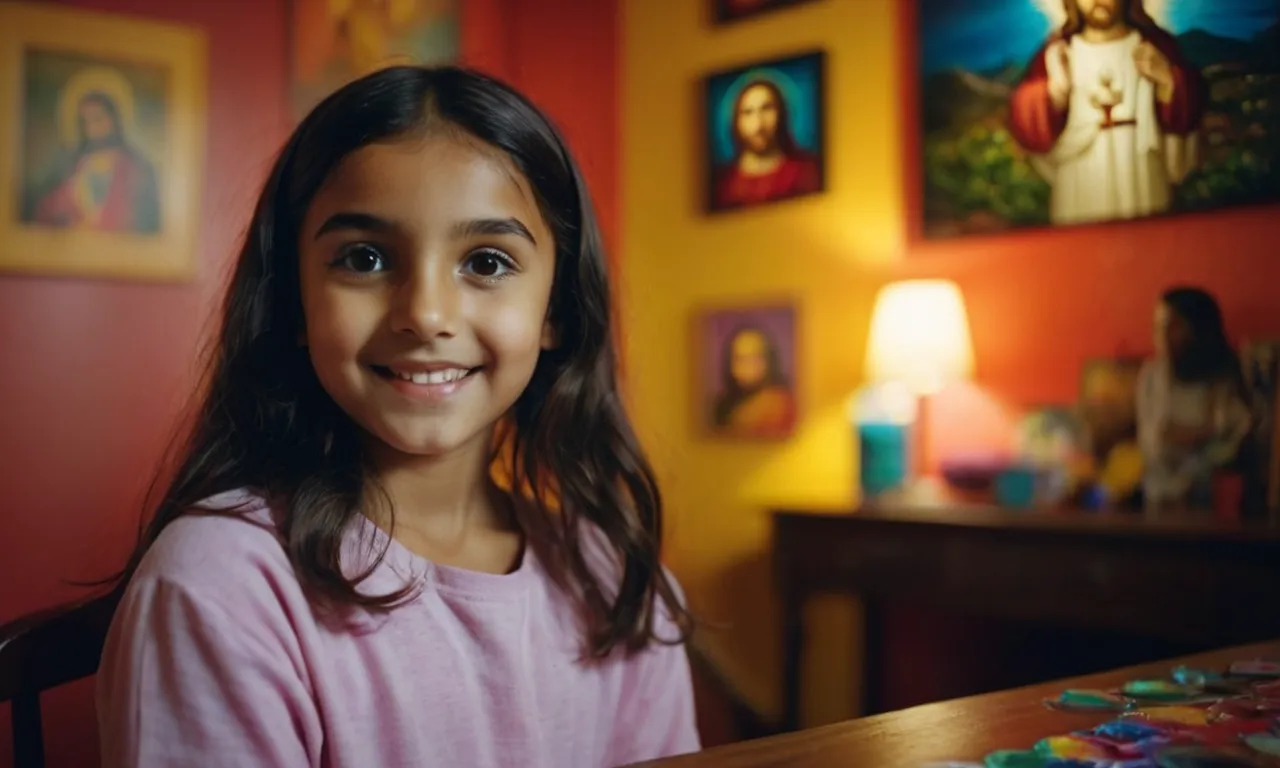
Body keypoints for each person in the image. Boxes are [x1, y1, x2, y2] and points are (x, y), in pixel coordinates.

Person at [96, 66, 699, 767]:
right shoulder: (223, 587)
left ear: (556, 310)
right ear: (294, 301)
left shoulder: (613, 578)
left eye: (488, 262)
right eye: (366, 257)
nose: (425, 314)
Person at [1007, 0, 1206, 226]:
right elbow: (1026, 119)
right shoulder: (1058, 53)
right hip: (1079, 177)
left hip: (1140, 170)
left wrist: (1167, 80)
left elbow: (1190, 108)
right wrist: (1055, 92)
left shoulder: (1155, 46)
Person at [1136, 287, 1252, 513]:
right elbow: (1153, 443)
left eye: (1173, 325)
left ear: (1198, 329)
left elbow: (1236, 435)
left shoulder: (1225, 378)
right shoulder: (1151, 377)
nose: (1161, 334)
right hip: (1157, 499)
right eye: (1158, 326)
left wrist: (1198, 433)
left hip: (1211, 504)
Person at [31, 91, 160, 233]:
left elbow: (144, 219)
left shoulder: (136, 168)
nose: (92, 127)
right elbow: (49, 208)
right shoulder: (73, 165)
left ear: (114, 120)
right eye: (85, 121)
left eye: (97, 118)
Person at [713, 77, 821, 210]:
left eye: (766, 109)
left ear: (781, 114)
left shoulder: (806, 170)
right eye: (747, 112)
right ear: (736, 122)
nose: (758, 124)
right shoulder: (722, 182)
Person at [712, 325, 796, 436]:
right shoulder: (722, 405)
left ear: (769, 361)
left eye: (755, 358)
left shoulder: (779, 403)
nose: (748, 366)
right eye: (740, 359)